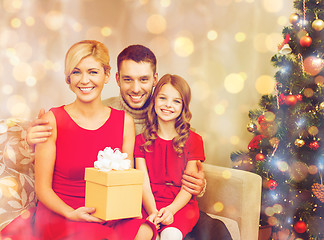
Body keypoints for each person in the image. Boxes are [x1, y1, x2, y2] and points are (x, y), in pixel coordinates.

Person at [26, 44, 232, 240]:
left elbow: (188, 162)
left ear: (154, 79)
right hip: (137, 201)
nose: (135, 88)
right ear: (115, 78)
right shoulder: (105, 112)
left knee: (213, 230)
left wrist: (199, 185)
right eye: (128, 79)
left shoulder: (170, 112)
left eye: (143, 79)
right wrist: (30, 140)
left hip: (169, 204)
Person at [1, 40, 156, 240]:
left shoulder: (124, 122)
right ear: (68, 78)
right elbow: (43, 189)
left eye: (93, 72)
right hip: (62, 213)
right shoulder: (52, 120)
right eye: (76, 72)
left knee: (145, 231)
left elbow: (122, 182)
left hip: (107, 212)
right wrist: (70, 213)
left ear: (107, 75)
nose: (84, 80)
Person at [134, 74, 204, 240]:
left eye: (176, 101)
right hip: (148, 202)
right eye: (163, 98)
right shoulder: (141, 141)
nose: (168, 105)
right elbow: (143, 183)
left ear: (183, 106)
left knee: (170, 235)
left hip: (181, 205)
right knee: (144, 233)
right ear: (154, 101)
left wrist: (171, 210)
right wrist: (153, 212)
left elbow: (189, 186)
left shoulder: (194, 140)